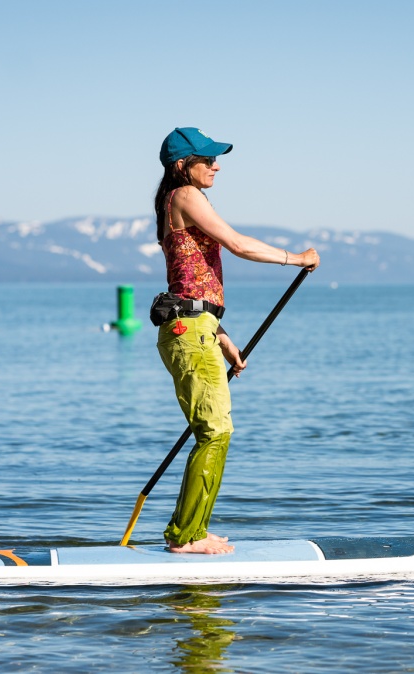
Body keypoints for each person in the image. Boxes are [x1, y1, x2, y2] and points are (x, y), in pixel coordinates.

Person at [153, 127, 319, 554]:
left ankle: (191, 530)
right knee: (215, 430)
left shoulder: (176, 202)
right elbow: (238, 244)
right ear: (181, 167)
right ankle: (185, 536)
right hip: (188, 332)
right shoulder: (185, 195)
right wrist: (296, 259)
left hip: (196, 328)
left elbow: (190, 283)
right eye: (207, 160)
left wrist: (222, 335)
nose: (216, 166)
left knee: (215, 430)